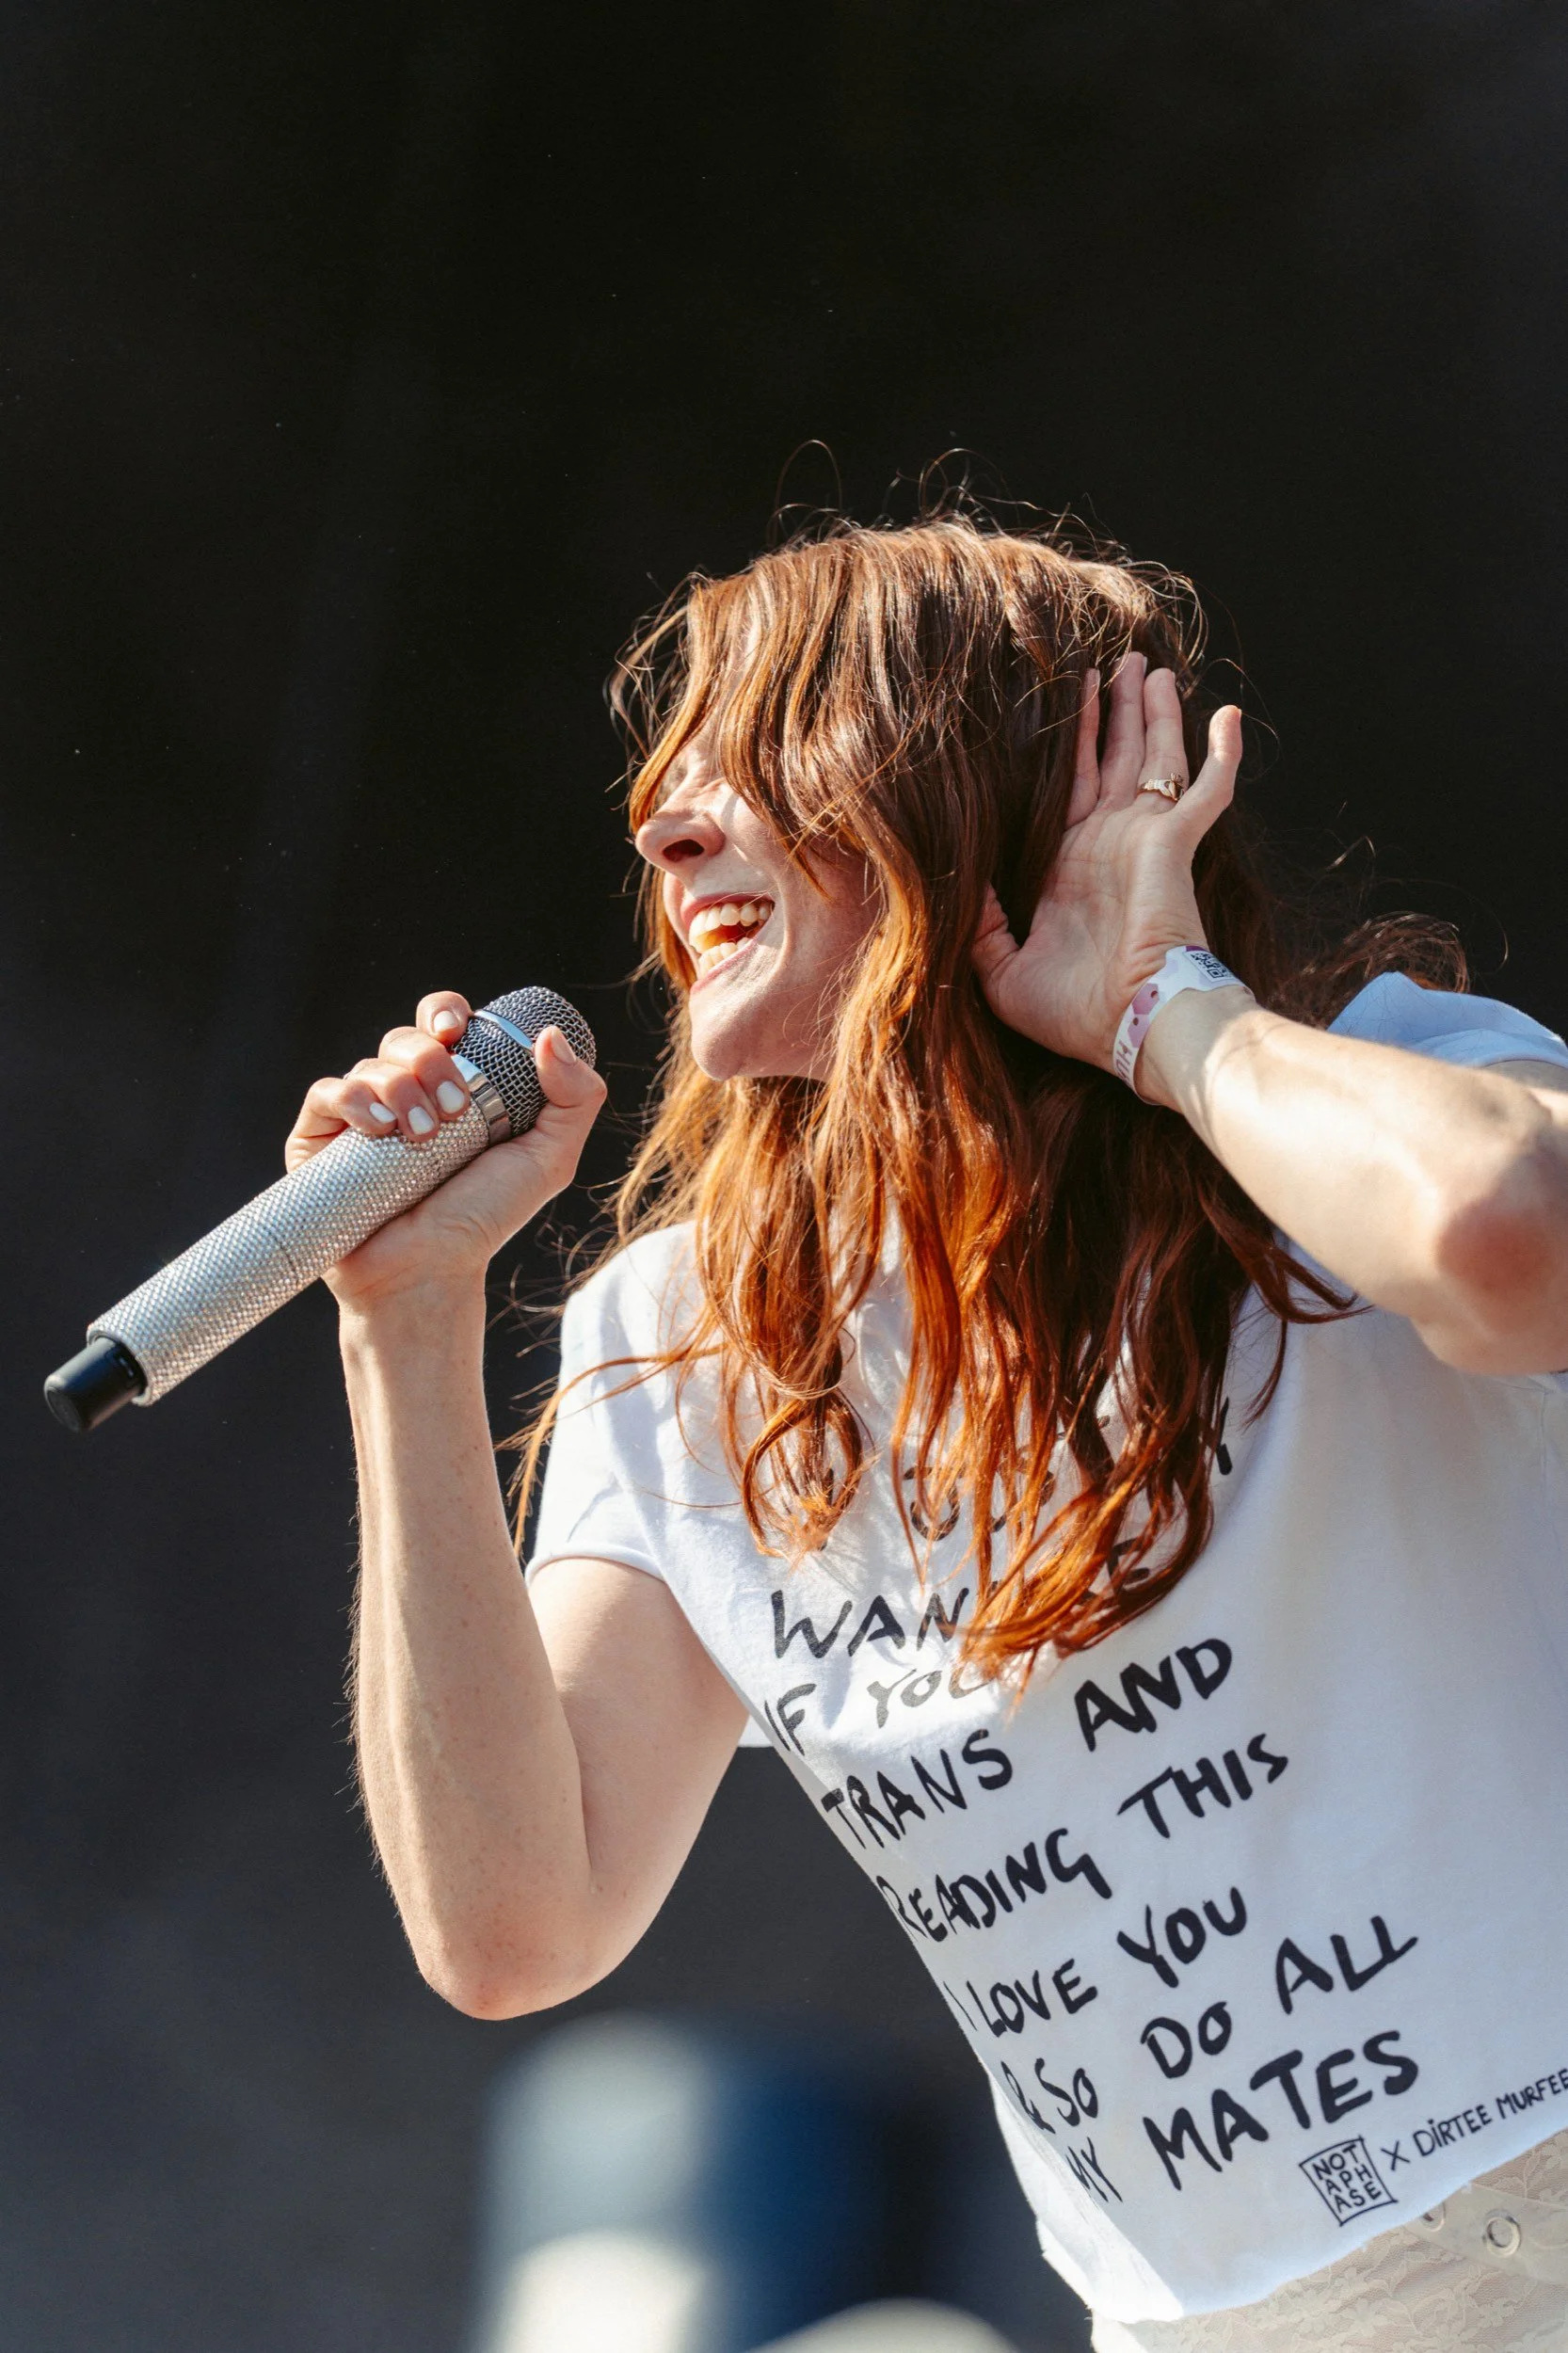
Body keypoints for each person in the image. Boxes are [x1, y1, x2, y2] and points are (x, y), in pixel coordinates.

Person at [289, 516, 1568, 2350]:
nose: (665, 827)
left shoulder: (1374, 1084)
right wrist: (398, 1329)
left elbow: (1502, 1245)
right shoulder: (687, 1342)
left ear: (978, 782)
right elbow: (515, 1918)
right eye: (662, 786)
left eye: (761, 745)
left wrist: (1162, 1007)